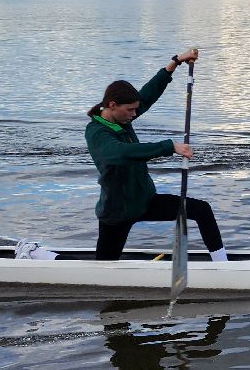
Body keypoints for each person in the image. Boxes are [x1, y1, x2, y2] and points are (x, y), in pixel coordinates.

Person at [85, 48, 227, 262]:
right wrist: (169, 146)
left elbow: (148, 95)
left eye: (135, 110)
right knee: (102, 269)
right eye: (130, 110)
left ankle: (222, 265)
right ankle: (42, 256)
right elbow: (120, 153)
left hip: (145, 200)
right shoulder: (97, 132)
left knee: (201, 209)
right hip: (118, 211)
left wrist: (175, 62)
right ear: (112, 106)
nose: (135, 114)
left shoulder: (123, 117)